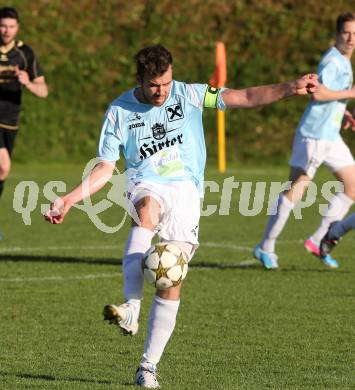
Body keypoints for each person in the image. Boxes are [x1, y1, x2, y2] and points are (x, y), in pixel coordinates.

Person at [45, 44, 317, 388]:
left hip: (187, 192)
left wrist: (290, 87)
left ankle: (148, 366)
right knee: (146, 210)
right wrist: (69, 199)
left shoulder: (189, 94)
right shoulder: (119, 110)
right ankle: (130, 307)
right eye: (153, 85)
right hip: (145, 182)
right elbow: (105, 166)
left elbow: (245, 96)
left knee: (170, 280)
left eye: (166, 83)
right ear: (139, 80)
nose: (161, 92)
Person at [254, 12, 355, 270]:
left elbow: (329, 96)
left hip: (330, 135)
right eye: (346, 32)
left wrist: (342, 110)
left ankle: (319, 239)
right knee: (296, 189)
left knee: (352, 185)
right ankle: (266, 245)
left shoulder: (344, 61)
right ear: (337, 34)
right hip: (314, 136)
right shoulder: (332, 62)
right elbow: (316, 94)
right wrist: (350, 94)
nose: (352, 38)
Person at [0, 7, 48, 209]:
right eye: (2, 26)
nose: (6, 30)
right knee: (3, 165)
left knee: (2, 171)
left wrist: (27, 82)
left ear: (17, 28)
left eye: (11, 26)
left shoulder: (24, 53)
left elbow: (43, 90)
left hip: (10, 120)